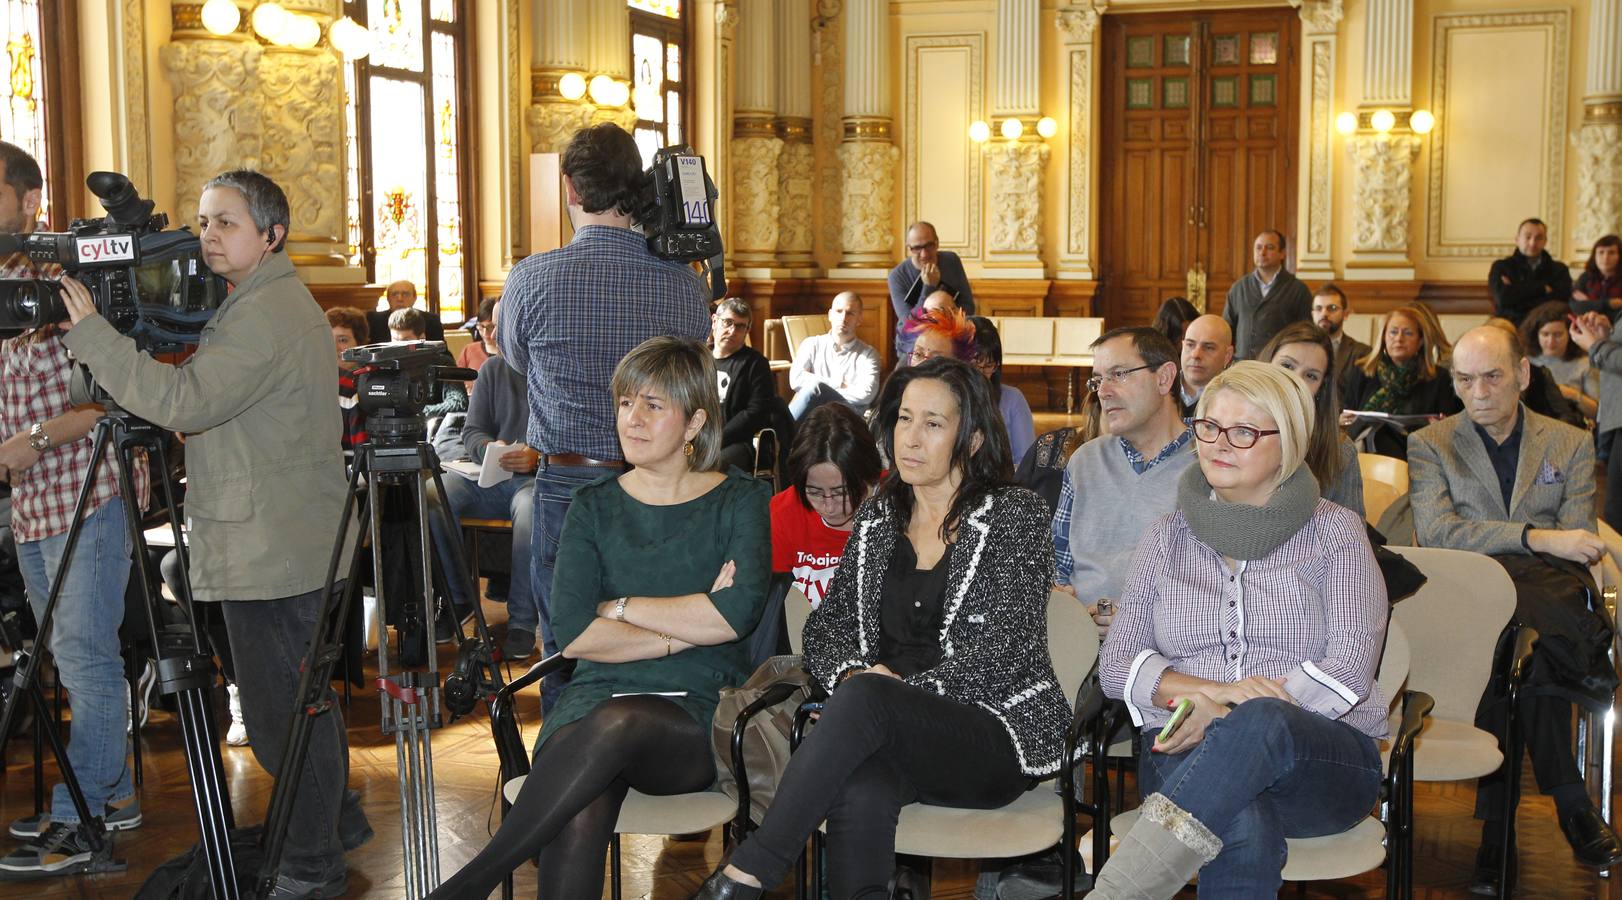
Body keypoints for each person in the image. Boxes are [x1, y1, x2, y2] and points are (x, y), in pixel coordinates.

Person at [55, 169, 369, 897]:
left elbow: (184, 402)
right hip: (274, 539)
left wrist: (94, 336)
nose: (207, 237)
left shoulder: (264, 315)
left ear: (271, 235)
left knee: (282, 718)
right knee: (293, 710)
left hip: (275, 547)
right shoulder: (259, 302)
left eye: (226, 223)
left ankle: (311, 863)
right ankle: (329, 827)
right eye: (203, 222)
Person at [693, 357, 1069, 900]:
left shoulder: (1015, 515)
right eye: (904, 419)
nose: (910, 439)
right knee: (861, 785)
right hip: (886, 726)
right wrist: (852, 673)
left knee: (867, 700)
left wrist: (886, 689)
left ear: (974, 439)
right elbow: (826, 631)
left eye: (933, 424)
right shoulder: (879, 517)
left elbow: (998, 658)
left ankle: (750, 869)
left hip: (990, 731)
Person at [430, 337, 770, 900]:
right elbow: (576, 634)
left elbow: (733, 617)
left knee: (619, 724)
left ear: (694, 423)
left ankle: (473, 881)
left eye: (653, 406)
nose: (631, 419)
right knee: (580, 809)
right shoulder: (594, 504)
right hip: (593, 704)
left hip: (697, 713)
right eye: (624, 403)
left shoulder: (741, 501)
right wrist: (682, 628)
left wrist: (619, 608)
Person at [1092, 361, 1388, 898]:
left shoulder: (1337, 535)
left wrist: (1233, 715)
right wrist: (1220, 697)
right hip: (1184, 748)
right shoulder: (1166, 538)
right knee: (1241, 823)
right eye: (1208, 427)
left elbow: (1348, 668)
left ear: (1289, 441)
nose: (1219, 444)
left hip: (1322, 761)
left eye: (1244, 432)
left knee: (1265, 723)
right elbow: (1117, 665)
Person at [499, 122, 709, 713]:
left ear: (569, 188)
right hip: (659, 492)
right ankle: (647, 781)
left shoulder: (531, 279)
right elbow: (695, 378)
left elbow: (517, 361)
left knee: (566, 652)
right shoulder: (682, 284)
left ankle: (566, 777)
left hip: (567, 486)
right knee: (653, 645)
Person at [1407, 326, 1622, 892]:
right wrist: (1537, 537)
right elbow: (1438, 533)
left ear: (1523, 375)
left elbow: (1577, 543)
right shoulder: (1432, 444)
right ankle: (1571, 801)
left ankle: (1497, 834)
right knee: (1521, 642)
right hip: (1471, 591)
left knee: (1517, 644)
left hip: (1545, 593)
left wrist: (1546, 546)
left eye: (1492, 376)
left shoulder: (1569, 443)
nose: (1477, 392)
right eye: (1464, 379)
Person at [0, 141, 146, 875]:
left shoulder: (72, 273)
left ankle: (81, 820)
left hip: (88, 489)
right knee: (69, 657)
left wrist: (31, 439)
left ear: (29, 199)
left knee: (87, 661)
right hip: (32, 501)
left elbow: (116, 389)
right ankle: (112, 794)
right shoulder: (3, 282)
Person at [1052, 327, 1195, 641]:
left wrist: (1136, 622)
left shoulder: (1208, 466)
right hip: (1080, 647)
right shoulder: (1085, 461)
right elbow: (1057, 565)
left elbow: (1217, 588)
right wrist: (1068, 608)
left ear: (1164, 378)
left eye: (1118, 374)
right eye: (1098, 380)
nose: (1103, 391)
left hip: (1171, 651)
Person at [426, 299, 542, 660]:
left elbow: (574, 435)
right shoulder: (492, 370)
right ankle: (459, 599)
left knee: (530, 508)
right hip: (490, 474)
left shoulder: (556, 369)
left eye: (499, 325)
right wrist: (488, 447)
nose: (492, 333)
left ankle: (522, 620)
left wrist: (537, 455)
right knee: (433, 493)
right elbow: (472, 431)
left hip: (537, 478)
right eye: (489, 326)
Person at [770, 403, 883, 609]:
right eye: (814, 492)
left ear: (867, 476)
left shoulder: (899, 502)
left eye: (841, 492)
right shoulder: (783, 512)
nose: (829, 507)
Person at [1258, 322, 1363, 514]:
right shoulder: (1229, 430)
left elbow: (1353, 535)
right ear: (1266, 364)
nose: (1295, 381)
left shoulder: (1339, 449)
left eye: (1311, 376)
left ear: (1321, 389)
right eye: (1287, 365)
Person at [1340, 306, 1462, 459]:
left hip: (1419, 456)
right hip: (1367, 455)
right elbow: (1346, 415)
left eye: (1408, 333)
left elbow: (1451, 425)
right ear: (1384, 337)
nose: (1399, 338)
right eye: (1393, 332)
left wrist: (1441, 426)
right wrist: (1344, 421)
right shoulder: (1363, 371)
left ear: (1420, 341)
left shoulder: (1439, 378)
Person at [888, 221, 975, 359]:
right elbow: (909, 324)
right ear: (909, 249)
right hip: (914, 343)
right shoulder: (897, 276)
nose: (924, 254)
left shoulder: (951, 261)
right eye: (917, 248)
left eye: (929, 246)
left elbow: (969, 307)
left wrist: (945, 325)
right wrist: (928, 287)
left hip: (951, 335)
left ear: (937, 243)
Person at [1221, 230, 1313, 360]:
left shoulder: (1298, 289)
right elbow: (1226, 329)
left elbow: (1305, 333)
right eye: (1258, 248)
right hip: (1243, 366)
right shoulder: (1239, 288)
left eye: (1269, 248)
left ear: (1282, 253)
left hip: (1278, 366)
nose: (1262, 253)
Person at [709, 297, 777, 472]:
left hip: (738, 442)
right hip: (696, 438)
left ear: (747, 330)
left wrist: (717, 439)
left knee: (710, 467)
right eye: (728, 322)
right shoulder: (699, 358)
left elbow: (756, 412)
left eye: (740, 326)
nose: (732, 331)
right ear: (715, 321)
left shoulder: (755, 364)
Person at [788, 291, 881, 419]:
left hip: (846, 419)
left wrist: (817, 387)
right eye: (838, 311)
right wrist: (839, 384)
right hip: (812, 416)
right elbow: (796, 379)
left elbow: (866, 394)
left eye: (850, 313)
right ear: (830, 315)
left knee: (814, 389)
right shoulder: (811, 344)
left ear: (859, 319)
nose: (843, 318)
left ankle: (779, 436)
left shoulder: (869, 355)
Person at [968, 316, 1036, 462]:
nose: (980, 374)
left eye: (988, 366)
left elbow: (1026, 461)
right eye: (974, 366)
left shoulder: (1012, 399)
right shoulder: (948, 398)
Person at [1523, 302, 1599, 421]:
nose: (1551, 341)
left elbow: (1598, 412)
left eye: (1558, 335)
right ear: (1535, 334)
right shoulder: (1526, 362)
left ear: (1570, 334)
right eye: (1545, 334)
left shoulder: (1585, 364)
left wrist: (1573, 395)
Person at [1489, 218, 1573, 325]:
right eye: (1528, 237)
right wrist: (1542, 289)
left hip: (1546, 328)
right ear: (1517, 239)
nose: (1533, 243)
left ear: (1545, 241)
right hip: (1510, 326)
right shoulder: (1501, 267)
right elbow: (1502, 299)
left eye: (1539, 238)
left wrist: (1516, 292)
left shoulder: (1559, 270)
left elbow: (1559, 303)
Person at [1311, 283, 1369, 386]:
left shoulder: (1362, 354)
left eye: (1332, 308)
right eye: (1319, 308)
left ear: (1345, 314)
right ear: (1312, 314)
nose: (1324, 314)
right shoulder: (1300, 350)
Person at [1179, 314, 1235, 409]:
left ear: (1227, 355)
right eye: (1190, 345)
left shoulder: (1236, 399)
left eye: (1208, 348)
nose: (1195, 355)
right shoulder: (1159, 389)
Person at [368, 279, 445, 344]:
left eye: (405, 294)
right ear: (388, 299)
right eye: (395, 294)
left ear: (414, 298)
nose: (400, 299)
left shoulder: (431, 320)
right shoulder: (375, 321)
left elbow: (442, 354)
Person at [1570, 234, 1622, 317]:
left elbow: (1619, 314)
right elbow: (1575, 306)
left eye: (1611, 253)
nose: (1605, 257)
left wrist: (1589, 302)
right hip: (1587, 325)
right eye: (1601, 252)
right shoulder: (1585, 277)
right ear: (1594, 256)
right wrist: (1609, 303)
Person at [456, 296, 498, 374]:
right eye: (481, 326)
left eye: (490, 327)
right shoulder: (469, 350)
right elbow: (456, 380)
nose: (485, 333)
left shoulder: (509, 355)